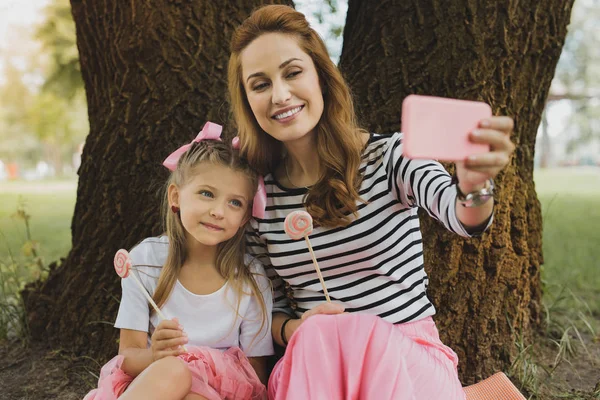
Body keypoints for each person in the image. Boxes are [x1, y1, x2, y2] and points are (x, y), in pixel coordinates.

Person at [227, 5, 516, 400]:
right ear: (247, 100)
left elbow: (463, 217)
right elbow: (269, 308)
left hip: (409, 366)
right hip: (316, 370)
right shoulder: (261, 198)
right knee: (321, 334)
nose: (280, 95)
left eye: (292, 73)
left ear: (321, 77)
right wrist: (295, 330)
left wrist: (476, 185)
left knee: (347, 332)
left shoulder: (392, 157)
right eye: (260, 84)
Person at [85, 123, 273, 400]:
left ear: (245, 217)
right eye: (207, 193)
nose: (218, 211)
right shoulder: (145, 262)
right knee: (175, 371)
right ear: (176, 197)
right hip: (158, 383)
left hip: (221, 392)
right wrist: (154, 354)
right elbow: (127, 355)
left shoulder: (251, 277)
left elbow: (256, 372)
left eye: (235, 203)